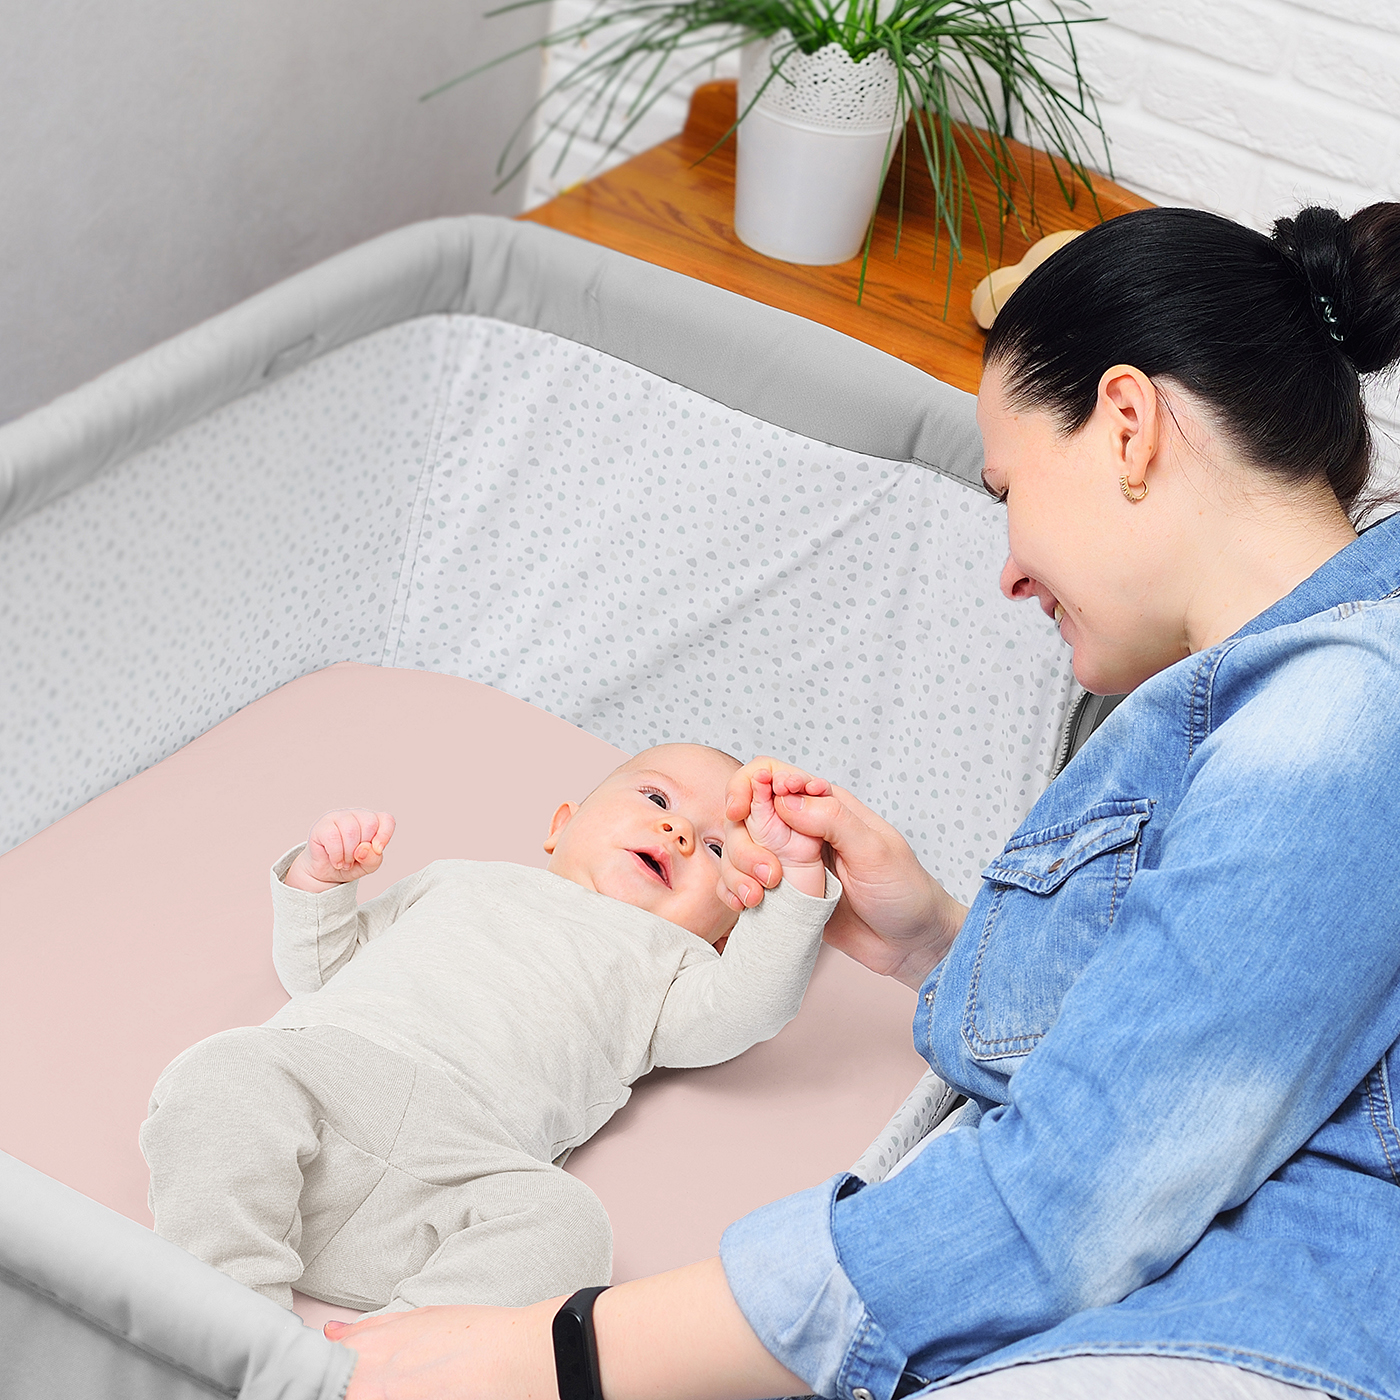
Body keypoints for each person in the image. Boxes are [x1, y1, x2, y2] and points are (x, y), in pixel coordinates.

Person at [326, 200, 1400, 1400]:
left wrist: (558, 1347)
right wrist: (934, 940)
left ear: (1126, 425)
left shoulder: (1338, 721)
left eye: (1005, 487)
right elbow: (1200, 1038)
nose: (1008, 571)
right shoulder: (1289, 704)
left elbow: (1074, 1199)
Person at [140, 743, 840, 1315]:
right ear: (562, 825)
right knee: (227, 1069)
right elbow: (322, 967)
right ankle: (226, 1313)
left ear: (725, 932)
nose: (679, 833)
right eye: (656, 800)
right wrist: (321, 880)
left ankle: (381, 1363)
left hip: (462, 1168)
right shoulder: (458, 880)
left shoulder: (674, 968)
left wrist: (799, 878)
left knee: (571, 1226)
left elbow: (752, 1003)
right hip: (328, 1089)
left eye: (717, 848)